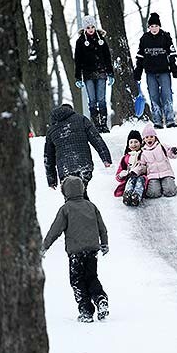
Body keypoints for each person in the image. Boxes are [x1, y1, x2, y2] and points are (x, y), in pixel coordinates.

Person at [42, 176, 110, 323]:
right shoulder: (91, 206)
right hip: (92, 251)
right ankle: (100, 298)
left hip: (76, 253)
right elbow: (102, 228)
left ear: (65, 192)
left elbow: (55, 230)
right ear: (82, 189)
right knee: (92, 277)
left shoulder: (65, 209)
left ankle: (86, 311)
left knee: (77, 280)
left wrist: (44, 246)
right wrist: (104, 243)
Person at [44, 104, 112, 200]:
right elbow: (96, 139)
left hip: (65, 170)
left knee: (72, 197)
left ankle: (78, 213)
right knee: (80, 194)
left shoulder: (51, 130)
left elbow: (48, 157)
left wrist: (51, 179)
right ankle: (86, 212)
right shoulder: (81, 119)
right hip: (84, 165)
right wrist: (106, 158)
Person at [133, 12, 177, 129]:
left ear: (159, 26)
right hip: (150, 72)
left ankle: (170, 120)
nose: (154, 28)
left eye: (156, 26)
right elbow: (140, 57)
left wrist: (174, 69)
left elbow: (172, 54)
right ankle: (157, 121)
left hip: (164, 71)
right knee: (153, 95)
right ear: (149, 27)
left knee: (167, 95)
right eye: (152, 26)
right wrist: (138, 72)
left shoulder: (165, 37)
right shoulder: (144, 39)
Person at [74, 15, 114, 133]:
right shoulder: (80, 41)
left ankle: (104, 124)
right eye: (88, 27)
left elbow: (107, 57)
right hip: (88, 74)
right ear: (84, 28)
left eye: (92, 27)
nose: (91, 29)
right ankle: (96, 124)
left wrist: (110, 73)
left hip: (101, 73)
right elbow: (78, 60)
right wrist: (78, 77)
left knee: (101, 99)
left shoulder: (101, 39)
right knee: (92, 100)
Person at [132, 124, 177, 198]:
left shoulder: (161, 146)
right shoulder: (143, 152)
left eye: (151, 137)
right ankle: (159, 187)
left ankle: (166, 185)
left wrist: (173, 151)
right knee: (153, 193)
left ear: (155, 137)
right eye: (147, 137)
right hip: (153, 175)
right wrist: (135, 172)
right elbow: (141, 165)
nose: (149, 139)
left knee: (170, 191)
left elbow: (170, 153)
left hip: (166, 173)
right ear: (144, 139)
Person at [114, 130, 148, 206]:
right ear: (128, 145)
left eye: (136, 142)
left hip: (142, 178)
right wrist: (122, 174)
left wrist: (145, 170)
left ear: (140, 143)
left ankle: (136, 195)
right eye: (131, 142)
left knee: (140, 180)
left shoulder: (145, 154)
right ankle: (127, 194)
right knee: (130, 180)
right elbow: (118, 174)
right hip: (129, 177)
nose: (133, 144)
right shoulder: (125, 158)